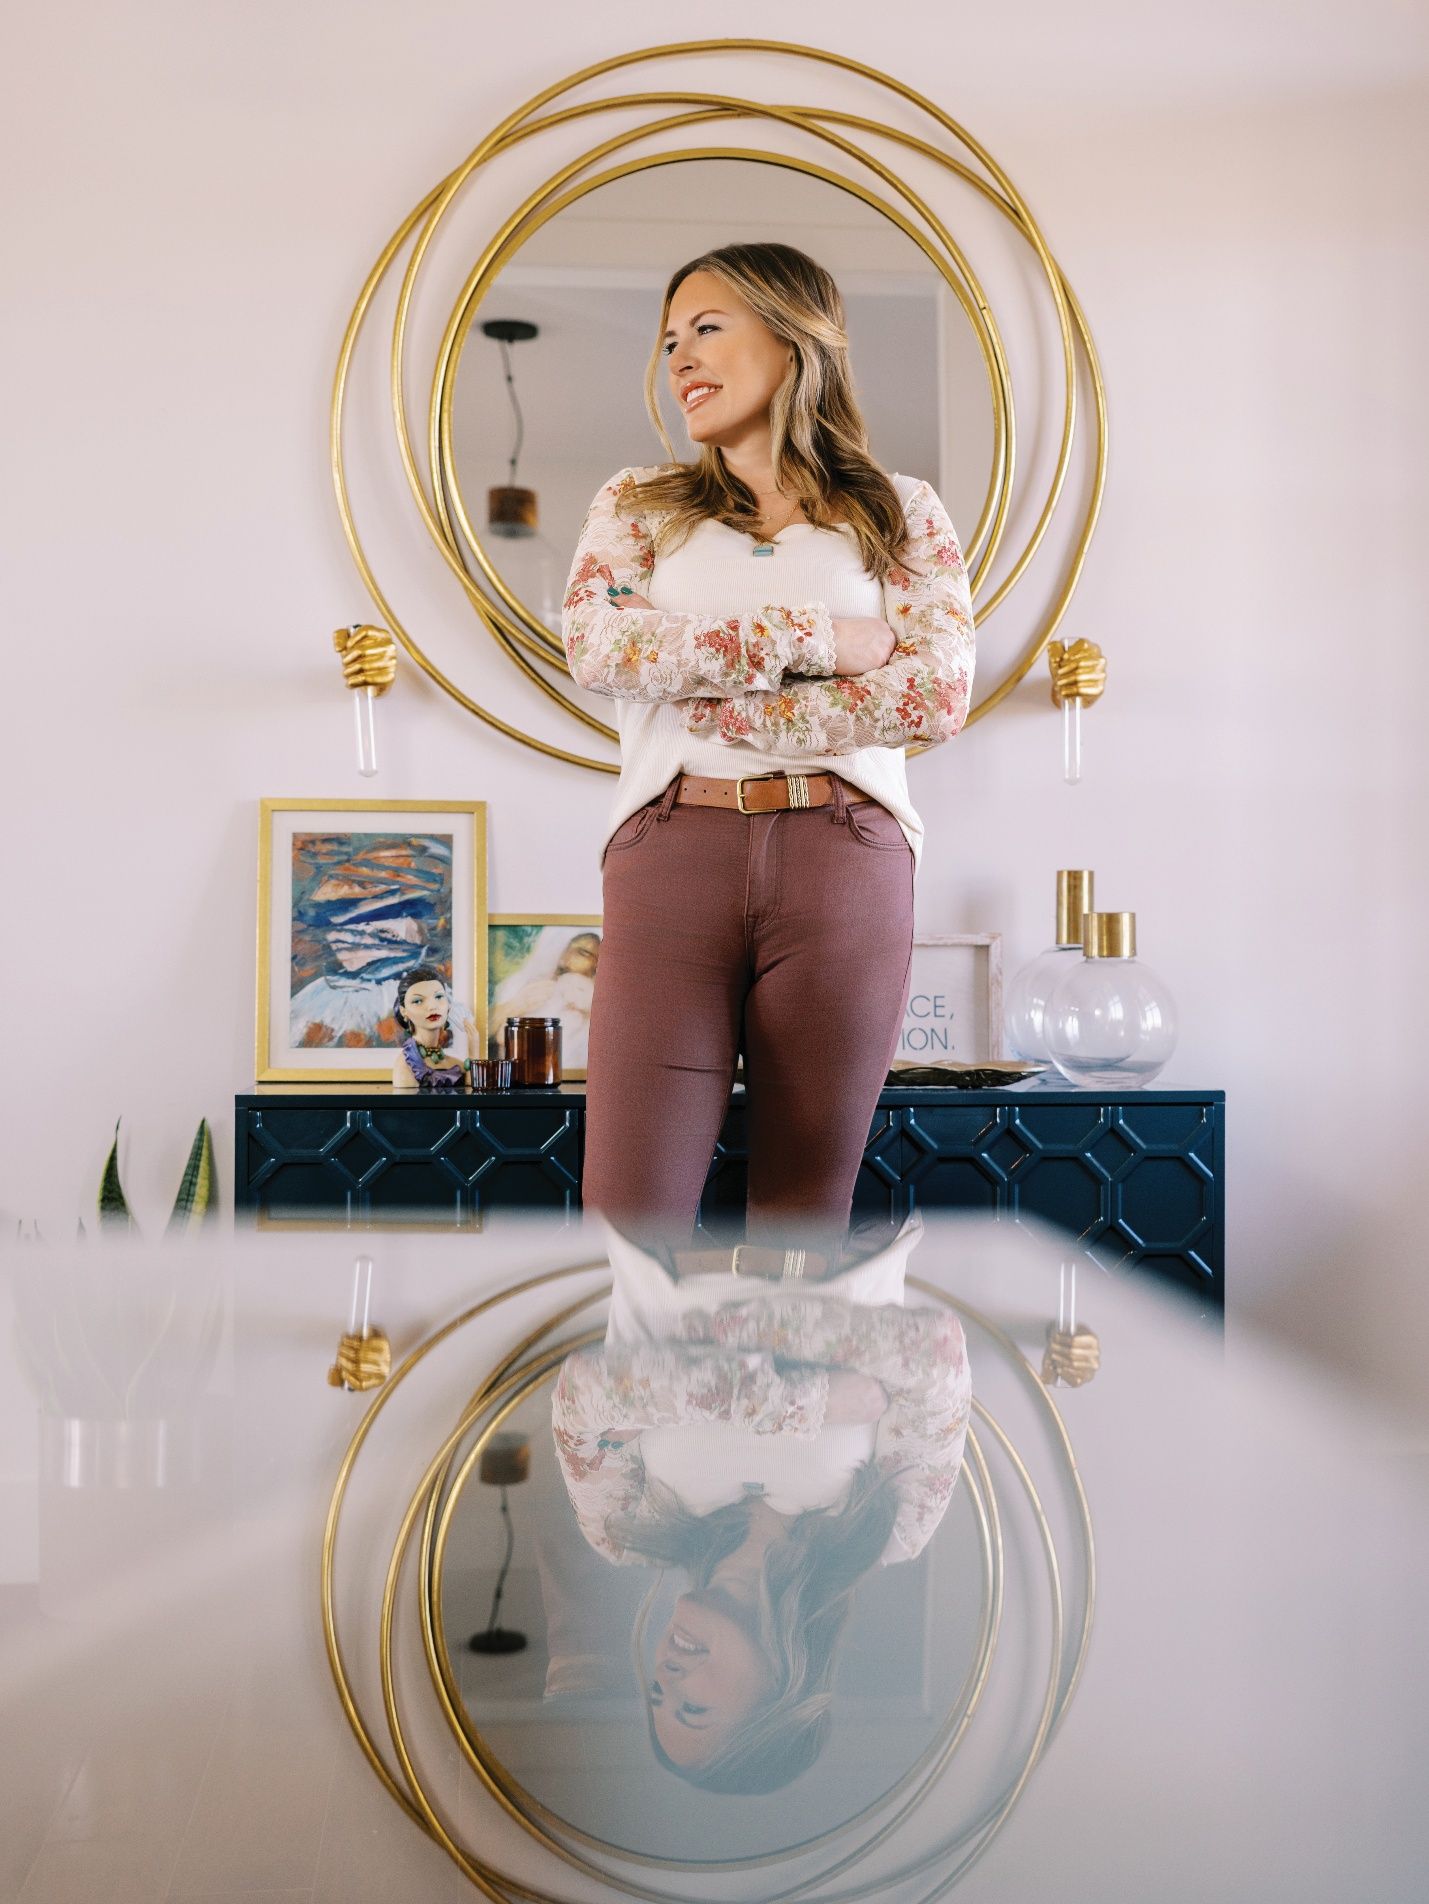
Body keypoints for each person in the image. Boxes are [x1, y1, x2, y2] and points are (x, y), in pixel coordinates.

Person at [561, 240, 976, 1244]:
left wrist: (721, 703)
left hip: (844, 854)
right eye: (668, 340)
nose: (679, 358)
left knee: (802, 1221)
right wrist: (818, 640)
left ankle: (783, 1405)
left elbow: (931, 693)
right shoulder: (638, 505)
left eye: (706, 327)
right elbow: (600, 643)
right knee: (628, 1223)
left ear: (793, 342)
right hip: (672, 850)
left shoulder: (899, 508)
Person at [549, 1212, 972, 1792]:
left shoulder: (623, 1531)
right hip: (843, 1227)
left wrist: (806, 1399)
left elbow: (581, 1395)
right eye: (692, 1708)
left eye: (656, 1695)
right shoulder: (892, 1530)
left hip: (657, 1231)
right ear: (781, 1692)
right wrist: (684, 1377)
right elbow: (932, 1354)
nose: (666, 1678)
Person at [389, 964, 479, 1090]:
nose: (432, 1006)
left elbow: (472, 1094)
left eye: (438, 997)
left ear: (448, 1004)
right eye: (418, 1001)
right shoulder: (407, 1066)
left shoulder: (456, 1064)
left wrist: (473, 1049)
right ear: (404, 1011)